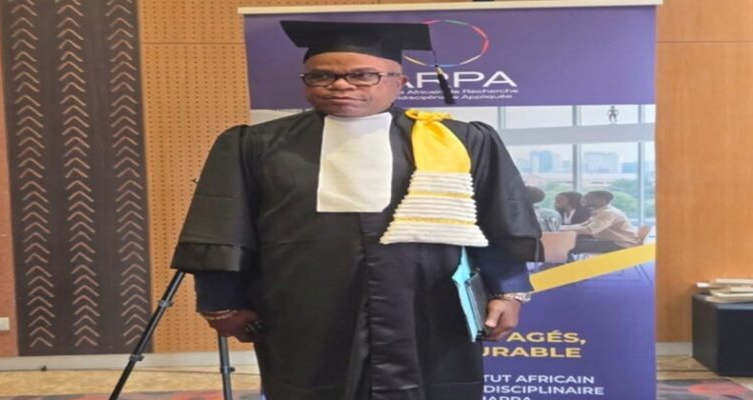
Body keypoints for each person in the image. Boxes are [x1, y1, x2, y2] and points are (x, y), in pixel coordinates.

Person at [170, 20, 542, 400]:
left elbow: (501, 220)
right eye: (321, 76)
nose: (341, 85)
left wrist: (509, 291)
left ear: (400, 82)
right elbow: (222, 225)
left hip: (429, 303)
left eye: (363, 75)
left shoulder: (459, 141)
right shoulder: (256, 144)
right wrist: (221, 301)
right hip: (303, 305)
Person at [561, 190, 640, 254]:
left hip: (620, 244)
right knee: (567, 243)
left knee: (565, 246)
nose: (582, 201)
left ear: (602, 201)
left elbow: (590, 230)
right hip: (610, 241)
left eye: (587, 198)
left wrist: (562, 230)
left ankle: (567, 267)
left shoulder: (608, 213)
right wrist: (560, 228)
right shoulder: (601, 211)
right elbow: (583, 225)